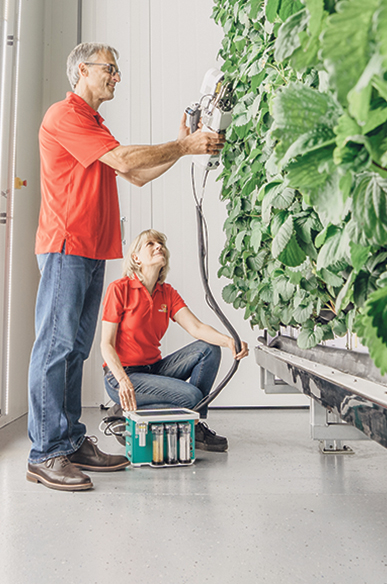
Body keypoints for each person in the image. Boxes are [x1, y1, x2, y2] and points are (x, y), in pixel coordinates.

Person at [26, 43, 224, 492]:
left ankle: (70, 441)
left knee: (75, 350)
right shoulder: (65, 115)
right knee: (55, 348)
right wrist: (184, 143)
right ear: (82, 70)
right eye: (109, 69)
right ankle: (45, 453)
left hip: (94, 250)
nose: (117, 77)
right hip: (65, 247)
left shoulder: (95, 124)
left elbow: (136, 173)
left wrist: (183, 149)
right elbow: (124, 161)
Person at [98, 229, 248, 452]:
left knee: (209, 349)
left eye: (161, 244)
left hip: (153, 370)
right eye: (150, 244)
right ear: (136, 258)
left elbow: (196, 328)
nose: (159, 246)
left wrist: (229, 341)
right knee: (191, 396)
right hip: (122, 375)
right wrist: (123, 381)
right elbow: (106, 344)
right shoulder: (120, 289)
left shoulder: (166, 293)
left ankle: (193, 425)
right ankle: (124, 413)